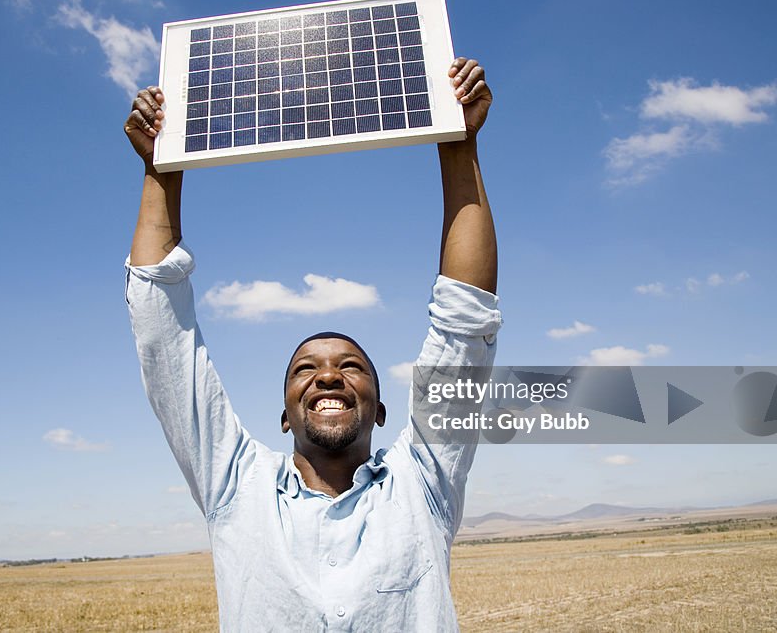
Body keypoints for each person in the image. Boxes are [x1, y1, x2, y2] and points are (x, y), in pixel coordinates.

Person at [123, 56, 501, 631]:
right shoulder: (235, 485)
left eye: (351, 367)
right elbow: (162, 336)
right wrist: (161, 171)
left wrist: (458, 143)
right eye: (306, 369)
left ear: (380, 407)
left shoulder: (424, 484)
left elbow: (464, 320)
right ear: (282, 416)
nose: (328, 376)